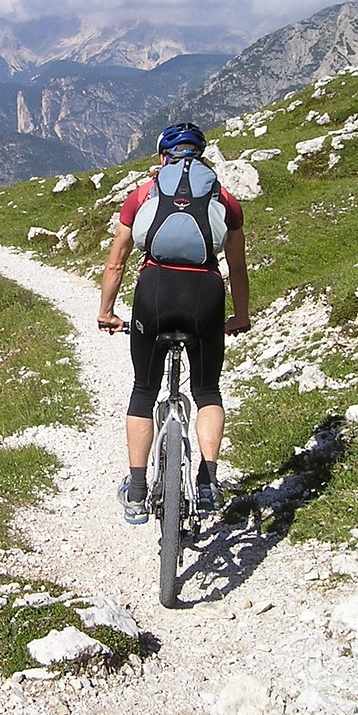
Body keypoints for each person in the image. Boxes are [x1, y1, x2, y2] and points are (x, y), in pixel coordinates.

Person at [97, 122, 250, 524]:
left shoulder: (143, 194)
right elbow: (237, 266)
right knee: (207, 390)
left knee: (144, 389)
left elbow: (117, 261)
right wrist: (242, 315)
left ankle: (136, 489)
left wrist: (106, 311)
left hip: (155, 291)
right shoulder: (224, 199)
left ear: (162, 157)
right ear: (200, 156)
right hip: (206, 293)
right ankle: (208, 481)